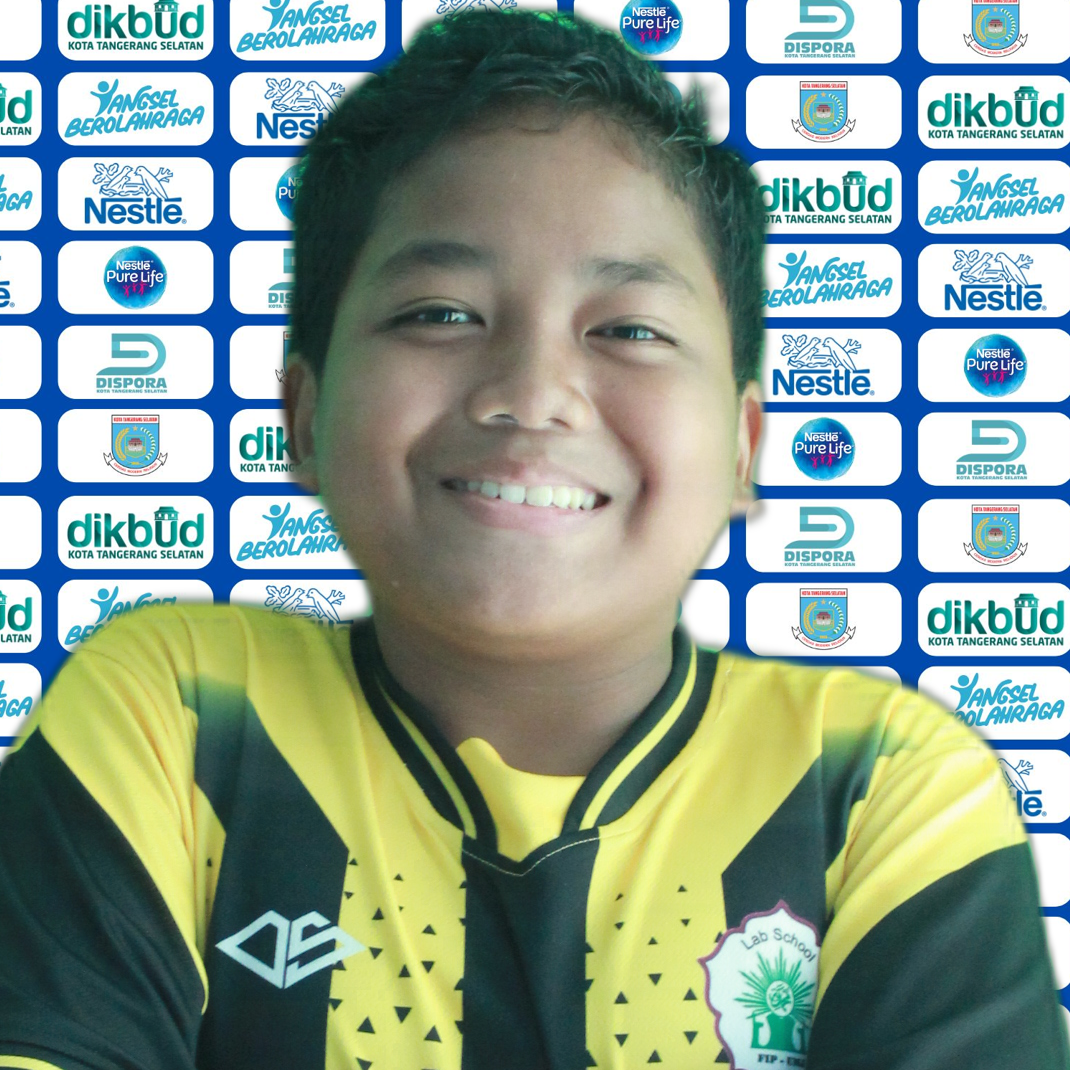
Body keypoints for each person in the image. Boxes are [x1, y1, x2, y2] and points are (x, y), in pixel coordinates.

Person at [0, 10, 1066, 1070]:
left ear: (742, 448)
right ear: (303, 415)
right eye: (439, 313)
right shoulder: (183, 715)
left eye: (630, 330)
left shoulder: (876, 783)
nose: (531, 391)